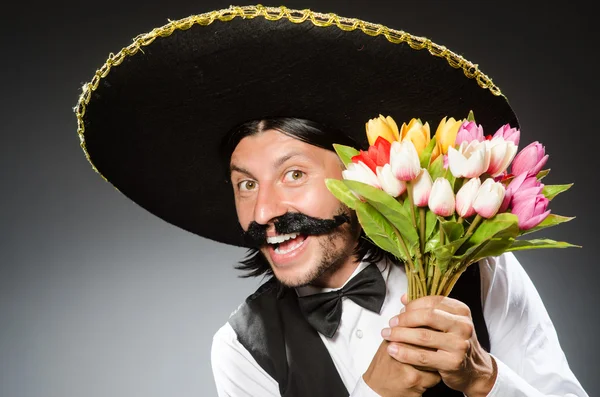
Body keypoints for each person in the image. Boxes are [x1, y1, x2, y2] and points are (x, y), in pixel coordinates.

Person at [74, 4, 589, 397]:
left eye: (293, 174)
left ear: (362, 178)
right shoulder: (240, 348)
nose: (263, 212)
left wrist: (484, 378)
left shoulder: (480, 270)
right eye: (246, 184)